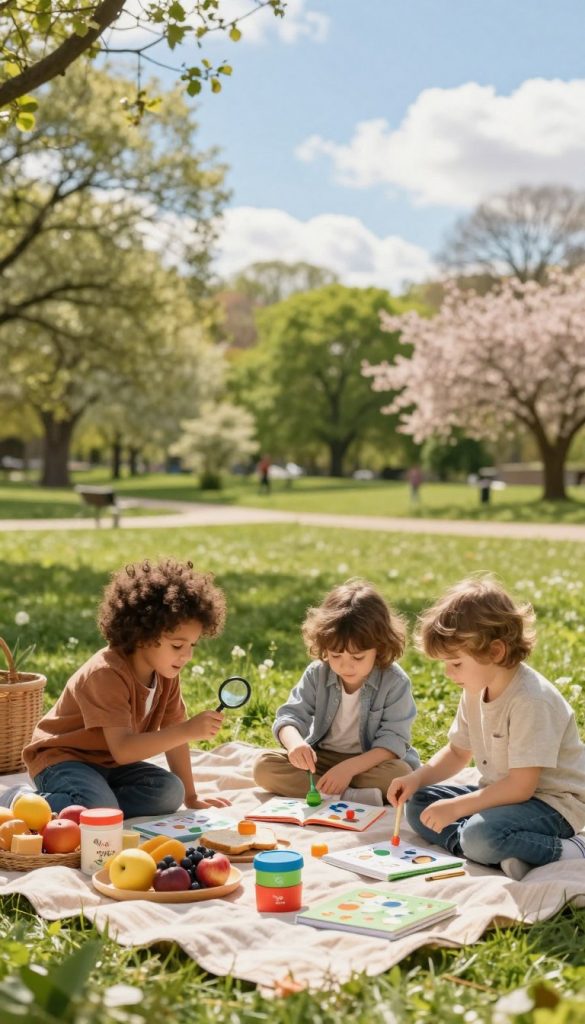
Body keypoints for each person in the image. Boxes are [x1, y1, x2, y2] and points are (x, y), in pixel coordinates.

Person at [388, 575, 585, 880]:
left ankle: (569, 850)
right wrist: (416, 778)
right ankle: (499, 852)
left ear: (495, 652)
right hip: (501, 795)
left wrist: (456, 809)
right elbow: (457, 751)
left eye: (455, 663)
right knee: (419, 805)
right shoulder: (474, 687)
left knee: (480, 835)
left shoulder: (532, 701)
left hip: (552, 804)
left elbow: (522, 786)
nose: (447, 673)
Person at [11, 559, 231, 818]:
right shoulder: (106, 673)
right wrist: (187, 731)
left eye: (192, 646)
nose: (186, 656)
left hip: (108, 764)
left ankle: (100, 802)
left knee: (171, 791)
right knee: (98, 808)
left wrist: (191, 797)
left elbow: (173, 732)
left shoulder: (166, 673)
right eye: (177, 645)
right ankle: (18, 799)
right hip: (62, 759)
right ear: (142, 635)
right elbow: (125, 749)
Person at [253, 578, 420, 806]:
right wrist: (296, 745)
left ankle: (322, 791)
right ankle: (348, 796)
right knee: (264, 768)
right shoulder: (317, 673)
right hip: (321, 759)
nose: (345, 666)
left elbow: (394, 741)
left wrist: (348, 769)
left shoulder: (394, 681)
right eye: (335, 655)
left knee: (400, 775)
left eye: (358, 657)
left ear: (379, 648)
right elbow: (289, 717)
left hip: (368, 764)